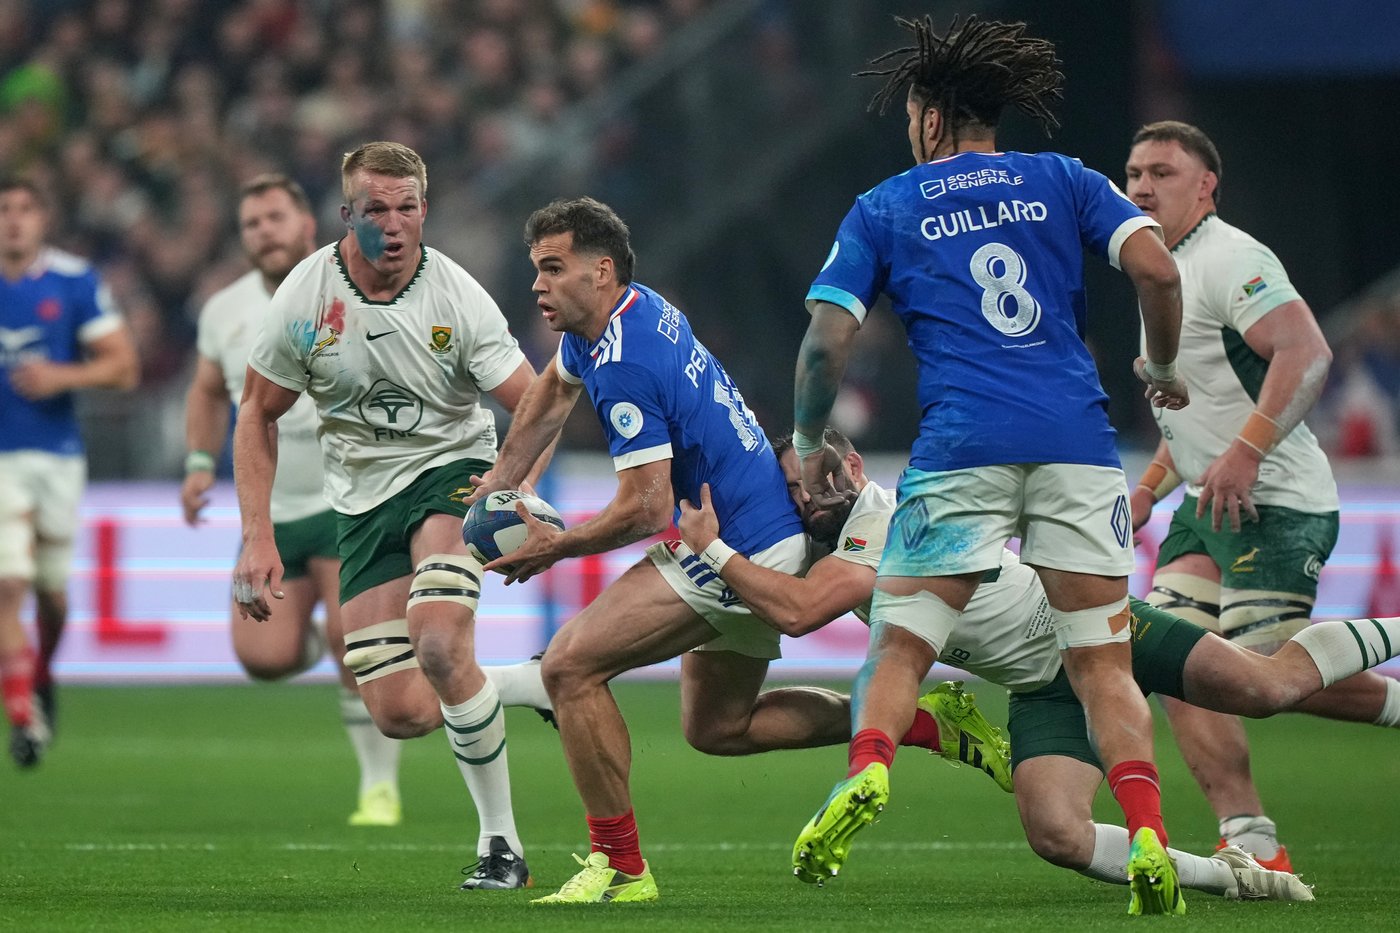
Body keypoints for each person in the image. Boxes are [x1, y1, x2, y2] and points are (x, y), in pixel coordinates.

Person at [787, 14, 1191, 915]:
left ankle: (869, 767)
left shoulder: (885, 205)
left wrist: (810, 441)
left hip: (962, 446)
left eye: (910, 116)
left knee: (900, 644)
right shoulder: (1065, 178)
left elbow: (825, 343)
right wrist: (1160, 366)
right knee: (1101, 664)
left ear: (930, 118)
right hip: (1078, 443)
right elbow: (1159, 273)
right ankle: (1148, 828)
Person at [680, 429, 1400, 903]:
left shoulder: (879, 518)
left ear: (855, 466)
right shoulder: (827, 538)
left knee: (1266, 686)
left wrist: (710, 549)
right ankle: (1236, 878)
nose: (806, 498)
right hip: (1040, 685)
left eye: (813, 479)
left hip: (1098, 635)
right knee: (1057, 834)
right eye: (793, 491)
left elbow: (802, 610)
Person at [466, 196, 807, 904]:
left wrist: (557, 546)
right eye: (536, 268)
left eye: (552, 268)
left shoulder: (625, 361)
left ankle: (620, 866)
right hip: (759, 523)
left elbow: (647, 507)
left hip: (735, 540)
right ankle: (918, 722)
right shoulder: (628, 311)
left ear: (600, 270)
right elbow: (551, 392)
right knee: (719, 726)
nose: (537, 285)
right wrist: (502, 481)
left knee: (568, 665)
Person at [232, 142, 540, 889]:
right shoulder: (305, 299)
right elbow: (256, 412)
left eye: (408, 208)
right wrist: (257, 536)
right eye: (377, 209)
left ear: (425, 210)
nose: (394, 225)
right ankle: (534, 681)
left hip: (453, 474)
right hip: (362, 501)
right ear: (347, 214)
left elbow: (534, 402)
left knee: (436, 638)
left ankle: (502, 846)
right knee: (402, 712)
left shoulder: (457, 297)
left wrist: (511, 487)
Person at [1123, 120, 1379, 872]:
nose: (1142, 186)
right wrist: (1148, 489)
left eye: (1163, 172)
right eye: (1134, 173)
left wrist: (1246, 452)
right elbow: (1198, 409)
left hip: (1278, 500)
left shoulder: (1232, 257)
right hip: (1208, 505)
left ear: (1206, 186)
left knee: (1262, 672)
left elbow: (1308, 351)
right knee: (1175, 660)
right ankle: (1251, 837)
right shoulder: (1160, 270)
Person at [181, 174, 406, 826]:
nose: (264, 232)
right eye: (252, 223)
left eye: (274, 217)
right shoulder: (223, 311)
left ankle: (379, 787)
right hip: (271, 512)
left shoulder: (353, 286)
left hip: (347, 499)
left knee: (354, 641)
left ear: (307, 223)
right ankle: (320, 633)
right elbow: (206, 390)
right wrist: (198, 462)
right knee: (265, 658)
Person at [0, 176, 139, 768]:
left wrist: (62, 376)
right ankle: (23, 719)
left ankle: (40, 674)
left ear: (43, 219)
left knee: (51, 594)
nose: (13, 220)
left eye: (25, 209)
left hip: (56, 456)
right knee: (8, 584)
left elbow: (124, 367)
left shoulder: (75, 281)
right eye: (4, 209)